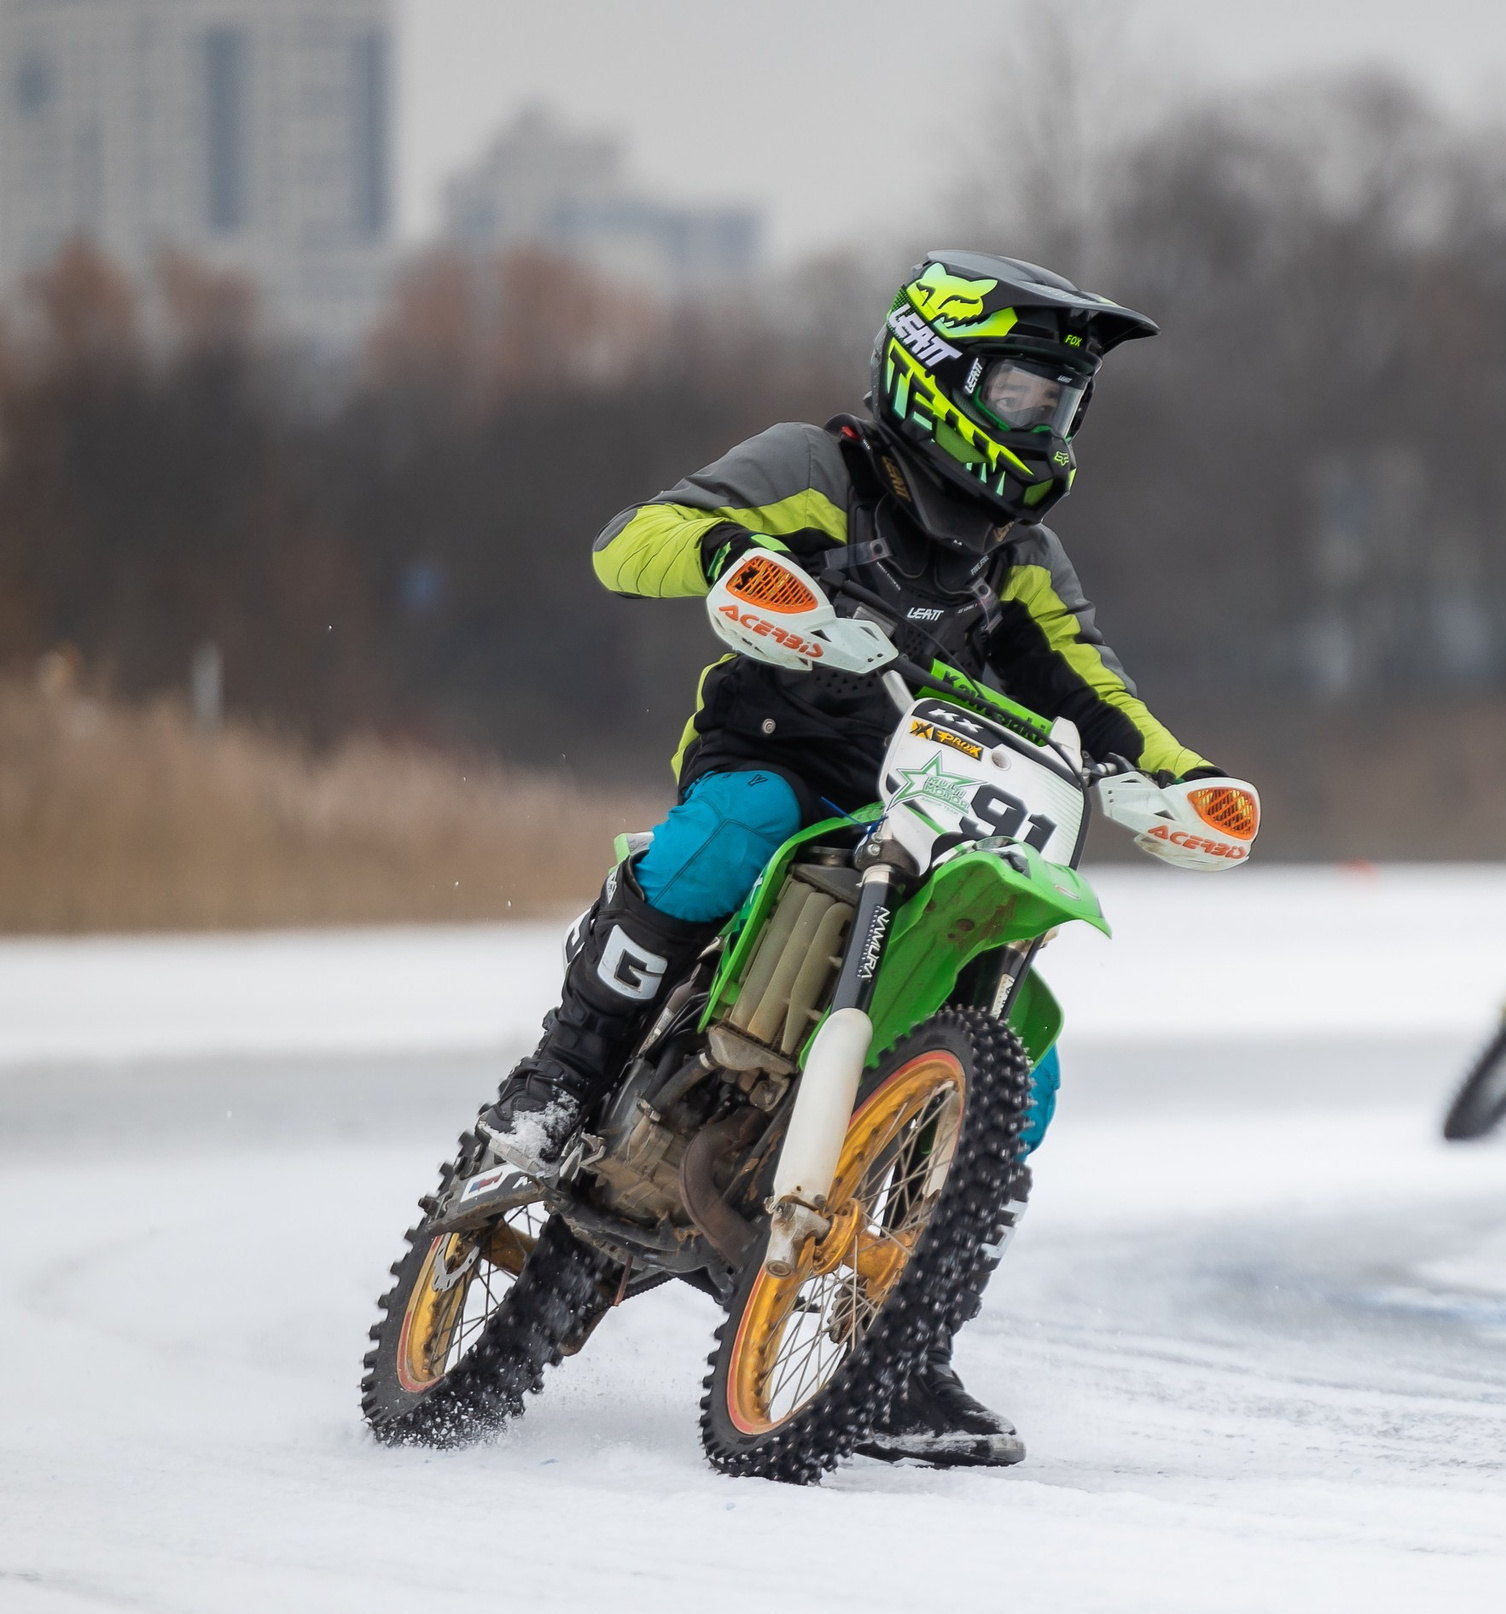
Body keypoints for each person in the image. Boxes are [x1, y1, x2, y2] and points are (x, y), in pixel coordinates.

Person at [471, 251, 1253, 1463]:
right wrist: (731, 560)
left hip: (933, 812)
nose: (1041, 420)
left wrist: (1179, 777)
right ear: (936, 370)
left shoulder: (1018, 559)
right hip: (781, 755)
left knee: (1022, 1056)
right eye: (1019, 391)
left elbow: (1097, 696)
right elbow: (632, 541)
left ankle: (897, 1335)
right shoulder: (819, 469)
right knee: (737, 829)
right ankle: (560, 1081)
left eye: (1059, 401)